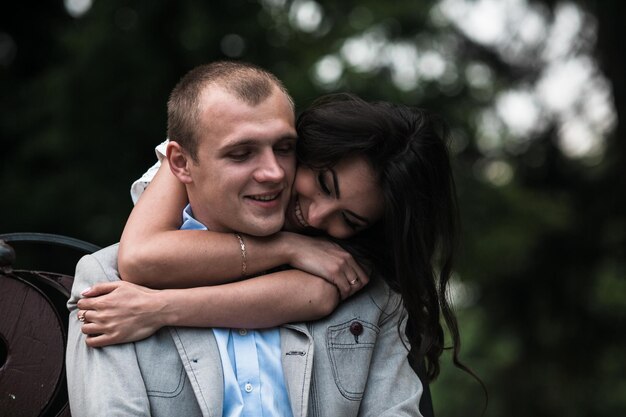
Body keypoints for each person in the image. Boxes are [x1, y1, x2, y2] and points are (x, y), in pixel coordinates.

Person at [66, 61, 432, 417]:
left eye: (284, 149)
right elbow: (139, 258)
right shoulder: (109, 283)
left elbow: (320, 297)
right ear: (180, 164)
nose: (273, 173)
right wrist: (288, 246)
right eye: (241, 154)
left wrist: (159, 309)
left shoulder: (357, 279)